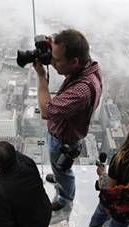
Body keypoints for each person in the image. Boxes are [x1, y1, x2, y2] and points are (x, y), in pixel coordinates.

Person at [33, 29, 103, 211]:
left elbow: (47, 111)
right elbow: (75, 44)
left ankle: (65, 197)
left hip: (63, 139)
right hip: (66, 134)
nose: (52, 62)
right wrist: (53, 44)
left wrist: (42, 77)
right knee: (58, 168)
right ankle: (58, 177)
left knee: (63, 170)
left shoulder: (82, 92)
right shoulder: (89, 65)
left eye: (56, 60)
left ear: (74, 62)